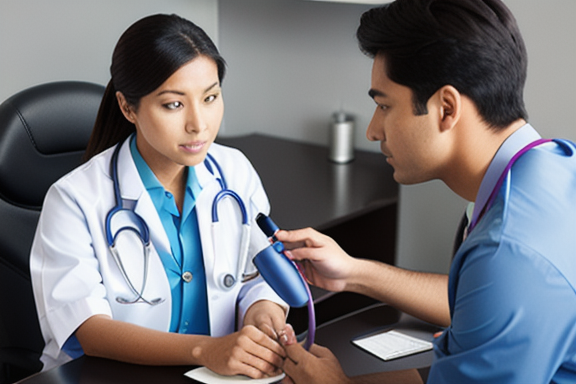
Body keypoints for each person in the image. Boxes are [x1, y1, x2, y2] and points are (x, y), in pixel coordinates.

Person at [275, 0, 576, 383]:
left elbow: (502, 280)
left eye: (384, 106)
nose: (373, 130)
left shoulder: (509, 251)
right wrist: (353, 274)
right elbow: (478, 307)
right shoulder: (552, 164)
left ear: (446, 108)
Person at [30, 14, 288, 379]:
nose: (199, 123)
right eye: (174, 104)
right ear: (128, 107)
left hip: (211, 374)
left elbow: (259, 273)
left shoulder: (234, 172)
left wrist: (263, 315)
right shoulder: (73, 199)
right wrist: (205, 349)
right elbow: (90, 331)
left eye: (210, 97)